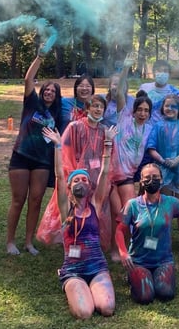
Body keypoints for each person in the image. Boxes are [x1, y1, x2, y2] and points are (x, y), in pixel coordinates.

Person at [44, 126, 116, 319]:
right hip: (73, 269)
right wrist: (58, 146)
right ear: (69, 187)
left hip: (97, 266)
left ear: (89, 185)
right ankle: (68, 280)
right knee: (85, 313)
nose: (81, 182)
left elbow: (104, 172)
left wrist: (107, 144)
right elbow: (59, 175)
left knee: (107, 308)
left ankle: (92, 287)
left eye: (84, 179)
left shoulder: (95, 204)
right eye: (76, 180)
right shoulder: (65, 207)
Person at [36, 95, 117, 249]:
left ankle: (90, 241)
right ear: (87, 109)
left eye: (101, 107)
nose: (98, 109)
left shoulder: (105, 130)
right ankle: (70, 240)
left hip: (97, 177)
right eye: (95, 106)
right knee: (73, 210)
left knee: (93, 211)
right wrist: (74, 176)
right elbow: (66, 151)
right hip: (78, 177)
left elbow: (111, 158)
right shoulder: (75, 126)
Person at [6, 51, 63, 255]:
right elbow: (28, 78)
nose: (48, 93)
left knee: (36, 200)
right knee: (18, 199)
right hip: (21, 156)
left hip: (42, 162)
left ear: (56, 96)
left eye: (53, 91)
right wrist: (39, 57)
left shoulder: (57, 114)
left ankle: (29, 242)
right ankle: (10, 241)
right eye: (46, 90)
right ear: (42, 92)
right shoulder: (31, 102)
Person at [115, 163, 179, 304]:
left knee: (165, 293)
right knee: (145, 297)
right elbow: (119, 230)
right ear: (141, 181)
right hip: (139, 261)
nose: (151, 180)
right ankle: (133, 277)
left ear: (161, 179)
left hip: (163, 260)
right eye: (147, 177)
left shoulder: (171, 202)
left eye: (155, 177)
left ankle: (155, 277)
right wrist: (123, 253)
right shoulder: (132, 205)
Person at [145, 93, 179, 256]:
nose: (170, 109)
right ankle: (162, 242)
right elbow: (151, 148)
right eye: (167, 106)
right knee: (163, 206)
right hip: (164, 171)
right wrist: (164, 161)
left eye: (174, 106)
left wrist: (178, 159)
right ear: (162, 108)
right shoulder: (158, 126)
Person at [107, 96, 153, 261]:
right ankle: (114, 249)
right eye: (139, 109)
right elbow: (120, 92)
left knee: (127, 214)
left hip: (128, 176)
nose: (142, 113)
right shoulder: (123, 120)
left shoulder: (149, 130)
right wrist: (125, 70)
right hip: (110, 175)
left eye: (146, 110)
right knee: (115, 212)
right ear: (133, 111)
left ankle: (124, 248)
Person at [138, 60, 179, 124]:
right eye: (159, 70)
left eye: (165, 71)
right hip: (147, 129)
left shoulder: (176, 92)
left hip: (167, 130)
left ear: (169, 74)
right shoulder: (144, 88)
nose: (162, 73)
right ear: (153, 73)